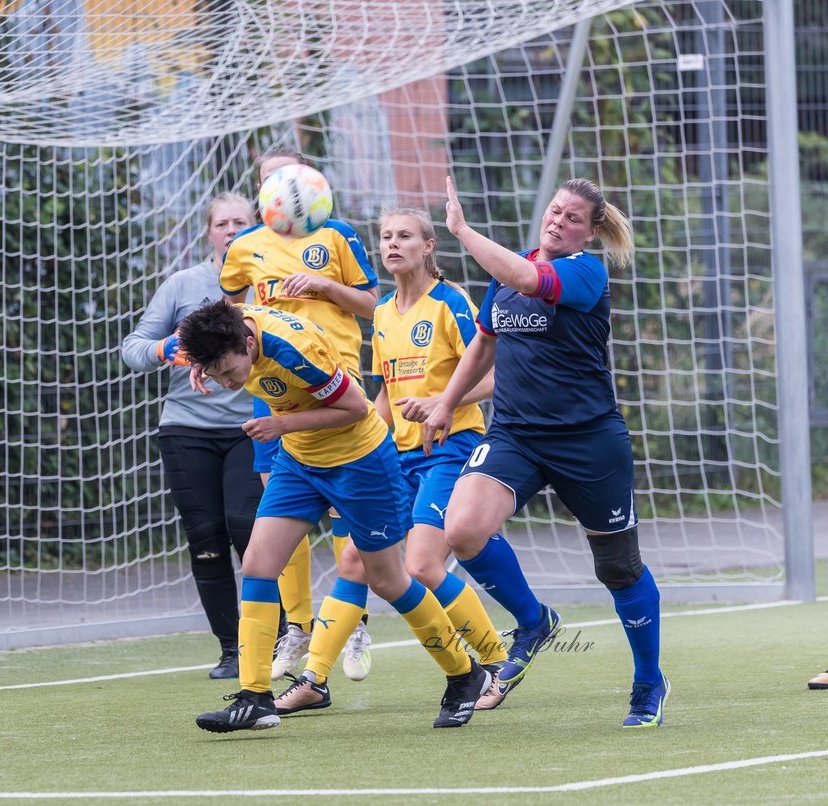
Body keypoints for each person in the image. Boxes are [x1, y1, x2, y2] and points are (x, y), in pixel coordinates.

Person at [181, 299, 490, 733]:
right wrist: (203, 363)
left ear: (249, 344)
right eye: (217, 375)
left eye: (229, 372)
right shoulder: (229, 332)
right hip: (300, 462)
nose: (228, 382)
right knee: (258, 564)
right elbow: (213, 322)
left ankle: (464, 675)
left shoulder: (294, 351)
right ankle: (255, 698)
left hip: (359, 462)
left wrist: (283, 425)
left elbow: (356, 409)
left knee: (388, 581)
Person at [425, 176, 667, 727]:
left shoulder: (584, 271)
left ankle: (649, 681)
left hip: (588, 440)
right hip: (515, 435)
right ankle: (533, 622)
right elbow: (484, 342)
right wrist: (446, 402)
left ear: (589, 231)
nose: (559, 221)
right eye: (556, 211)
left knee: (619, 568)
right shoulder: (508, 274)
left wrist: (461, 231)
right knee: (461, 530)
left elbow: (527, 277)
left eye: (573, 218)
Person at [273, 207, 512, 715]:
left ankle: (496, 665)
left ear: (429, 246)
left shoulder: (450, 304)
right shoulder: (381, 311)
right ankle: (313, 680)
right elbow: (385, 391)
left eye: (405, 235)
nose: (392, 244)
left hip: (449, 450)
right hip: (395, 456)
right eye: (385, 237)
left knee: (421, 564)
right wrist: (370, 437)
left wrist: (445, 402)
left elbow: (498, 376)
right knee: (355, 560)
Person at [220, 146, 379, 682]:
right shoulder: (244, 247)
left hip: (332, 380)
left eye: (288, 179)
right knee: (278, 506)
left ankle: (351, 617)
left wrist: (326, 286)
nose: (279, 190)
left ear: (310, 183)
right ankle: (299, 626)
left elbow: (374, 303)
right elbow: (231, 311)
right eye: (268, 181)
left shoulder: (336, 235)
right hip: (271, 385)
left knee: (339, 503)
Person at [121, 193, 263, 680]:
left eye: (240, 221)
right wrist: (166, 348)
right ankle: (232, 648)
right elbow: (133, 348)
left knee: (248, 528)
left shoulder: (269, 285)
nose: (230, 229)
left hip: (254, 426)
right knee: (206, 537)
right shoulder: (183, 285)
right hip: (187, 429)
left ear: (257, 227)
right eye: (221, 223)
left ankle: (279, 637)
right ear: (209, 233)